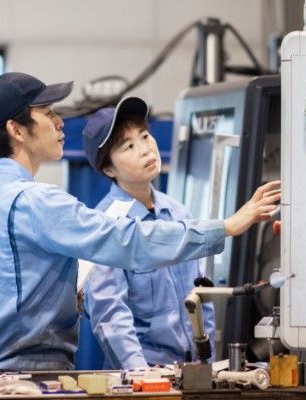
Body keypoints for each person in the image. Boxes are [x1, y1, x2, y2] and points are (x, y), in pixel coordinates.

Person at [0, 72, 280, 372]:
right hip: (28, 378)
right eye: (47, 113)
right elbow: (127, 241)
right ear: (16, 130)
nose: (60, 122)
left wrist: (63, 297)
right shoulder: (35, 201)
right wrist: (226, 227)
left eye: (144, 136)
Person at [81, 97, 214, 370]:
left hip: (191, 370)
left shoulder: (178, 213)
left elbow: (200, 295)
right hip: (142, 373)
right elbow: (110, 315)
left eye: (144, 136)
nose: (145, 149)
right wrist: (142, 376)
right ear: (108, 168)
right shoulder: (104, 224)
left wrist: (207, 362)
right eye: (129, 146)